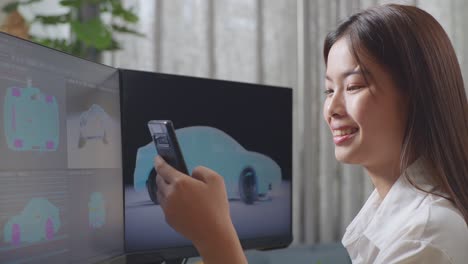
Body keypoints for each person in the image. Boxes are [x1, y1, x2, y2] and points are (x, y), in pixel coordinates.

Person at [154, 4, 468, 264]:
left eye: (354, 86)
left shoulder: (427, 236)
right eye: (328, 90)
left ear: (416, 94)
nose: (332, 107)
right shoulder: (394, 219)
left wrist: (213, 235)